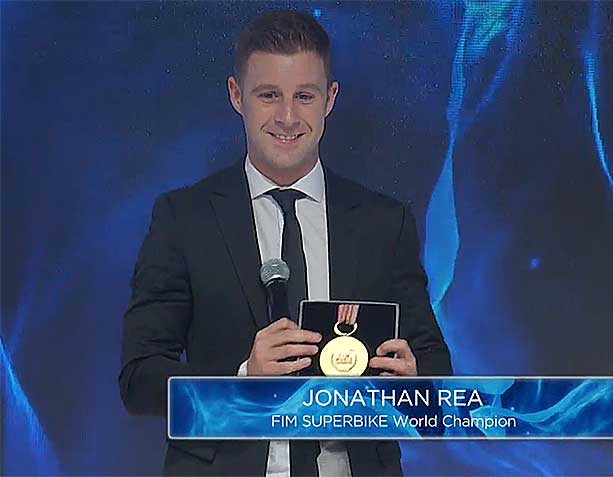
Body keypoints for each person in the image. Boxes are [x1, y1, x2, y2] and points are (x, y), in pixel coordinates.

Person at [119, 9, 452, 477]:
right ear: (237, 96)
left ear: (330, 99)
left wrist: (415, 387)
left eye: (305, 96)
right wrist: (243, 381)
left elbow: (436, 377)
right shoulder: (183, 219)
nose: (288, 117)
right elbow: (139, 380)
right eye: (269, 95)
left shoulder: (383, 223)